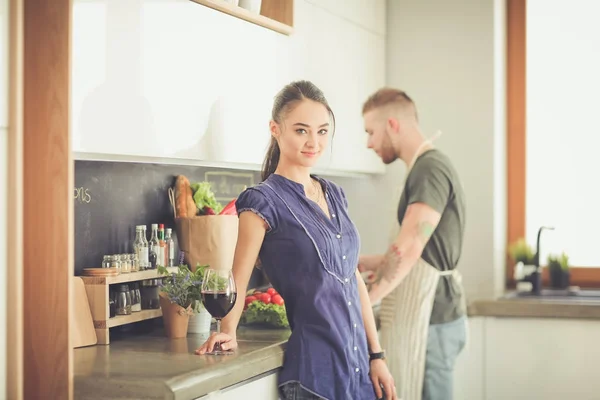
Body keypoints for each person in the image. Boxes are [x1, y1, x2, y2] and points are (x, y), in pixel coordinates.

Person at [195, 80, 397, 400]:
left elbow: (352, 278)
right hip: (314, 378)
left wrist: (377, 356)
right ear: (275, 129)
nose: (313, 142)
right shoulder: (262, 201)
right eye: (301, 130)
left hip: (358, 372)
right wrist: (227, 331)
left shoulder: (334, 194)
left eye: (322, 131)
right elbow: (239, 276)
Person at [358, 88, 467, 400]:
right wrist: (367, 261)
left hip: (433, 320)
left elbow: (409, 247)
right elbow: (427, 252)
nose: (368, 143)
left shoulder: (429, 169)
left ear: (393, 124)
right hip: (434, 317)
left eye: (370, 132)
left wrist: (364, 301)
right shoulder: (423, 167)